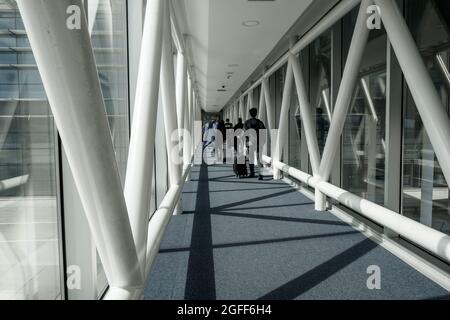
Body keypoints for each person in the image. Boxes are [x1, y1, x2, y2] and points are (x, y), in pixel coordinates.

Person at [244, 108, 266, 180]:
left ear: (250, 114)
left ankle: (252, 173)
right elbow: (263, 132)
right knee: (259, 159)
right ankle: (260, 174)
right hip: (259, 142)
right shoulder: (260, 122)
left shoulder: (247, 123)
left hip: (251, 142)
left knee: (251, 158)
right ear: (256, 114)